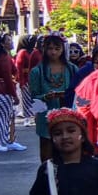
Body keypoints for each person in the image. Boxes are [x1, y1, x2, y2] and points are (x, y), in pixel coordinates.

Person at [28, 34, 77, 162]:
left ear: (63, 49)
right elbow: (34, 98)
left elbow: (80, 93)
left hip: (67, 116)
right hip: (45, 118)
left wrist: (67, 95)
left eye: (57, 48)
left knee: (68, 154)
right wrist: (45, 97)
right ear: (44, 49)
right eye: (50, 48)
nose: (53, 52)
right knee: (47, 157)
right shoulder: (37, 71)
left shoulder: (72, 69)